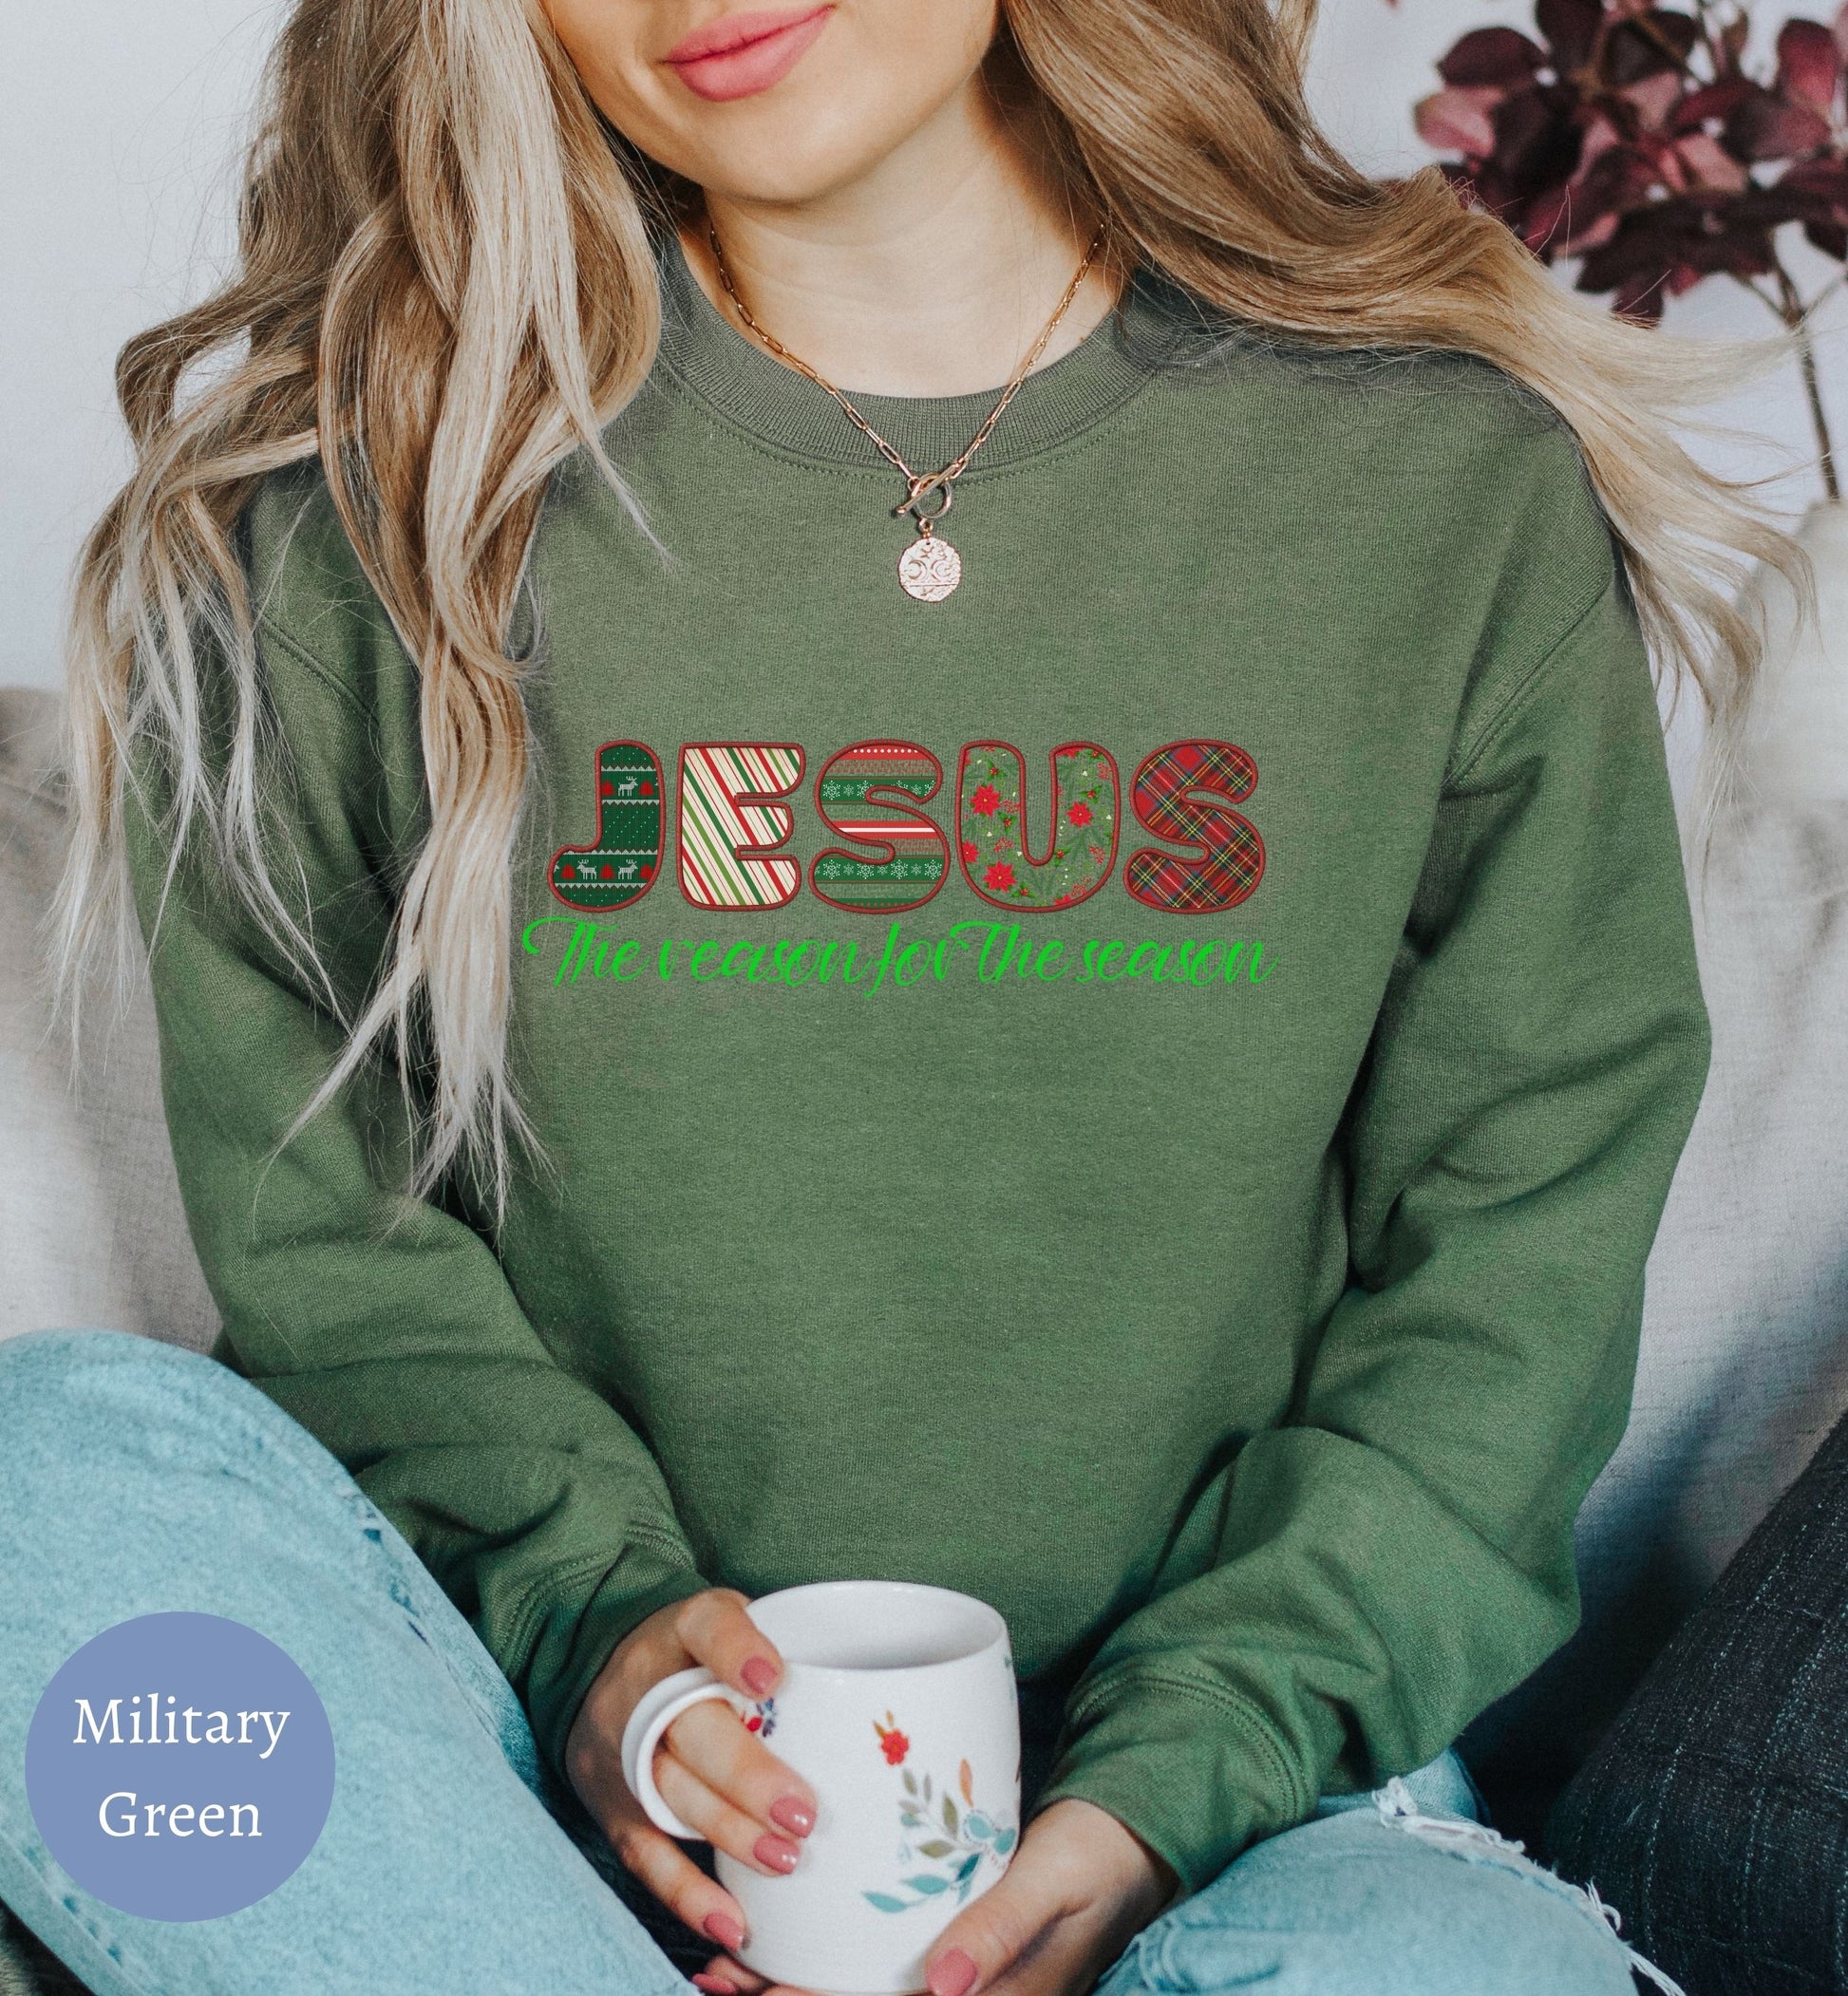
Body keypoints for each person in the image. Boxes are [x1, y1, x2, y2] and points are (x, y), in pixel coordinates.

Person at [0, 0, 1795, 1991]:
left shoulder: (1434, 487)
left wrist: (1166, 1782)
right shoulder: (367, 506)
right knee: (37, 1501)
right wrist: (600, 1638)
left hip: (1248, 1822)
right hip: (517, 1805)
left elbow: (1510, 1261)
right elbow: (329, 1240)